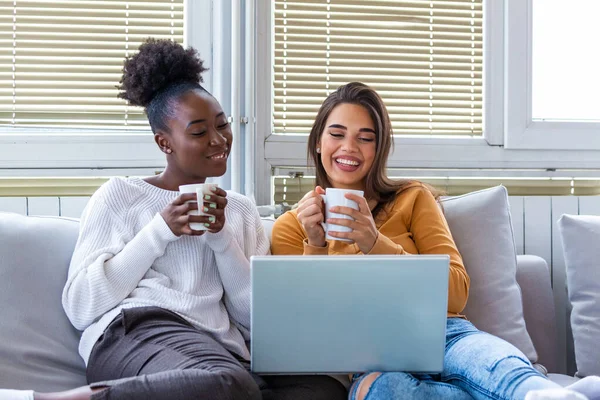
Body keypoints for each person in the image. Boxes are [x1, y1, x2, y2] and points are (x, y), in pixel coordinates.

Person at [0, 39, 346, 400]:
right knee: (229, 384)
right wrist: (159, 231)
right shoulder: (121, 195)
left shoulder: (240, 210)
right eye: (198, 132)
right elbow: (82, 306)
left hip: (219, 351)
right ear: (164, 143)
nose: (218, 140)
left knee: (322, 390)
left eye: (222, 125)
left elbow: (254, 322)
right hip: (136, 332)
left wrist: (221, 237)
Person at [270, 82, 600, 400]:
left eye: (365, 138)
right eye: (337, 134)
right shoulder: (293, 226)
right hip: (373, 358)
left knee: (490, 360)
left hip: (443, 332)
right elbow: (311, 333)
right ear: (317, 142)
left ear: (378, 149)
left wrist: (375, 242)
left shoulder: (412, 198)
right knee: (379, 392)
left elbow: (456, 293)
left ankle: (547, 395)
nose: (349, 148)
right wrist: (314, 245)